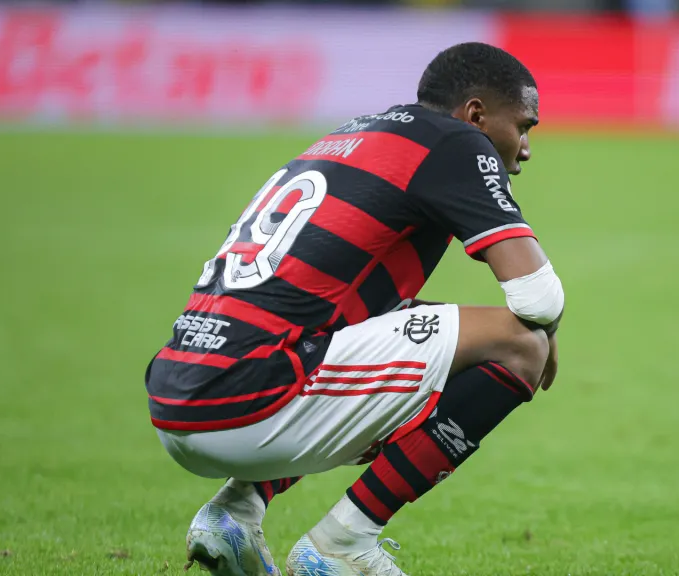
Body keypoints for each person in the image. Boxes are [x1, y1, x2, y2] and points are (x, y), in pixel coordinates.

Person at [145, 42, 564, 576]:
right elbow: (537, 297)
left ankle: (235, 512)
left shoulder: (355, 134)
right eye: (523, 126)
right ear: (476, 114)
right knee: (521, 345)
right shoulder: (457, 142)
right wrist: (548, 332)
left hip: (179, 393)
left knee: (414, 357)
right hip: (244, 401)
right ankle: (341, 544)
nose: (525, 148)